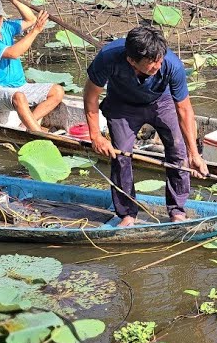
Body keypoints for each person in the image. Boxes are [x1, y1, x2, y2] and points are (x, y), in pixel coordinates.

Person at [83, 25, 209, 227]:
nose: (157, 66)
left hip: (161, 102)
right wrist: (96, 135)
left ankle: (177, 210)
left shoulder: (171, 65)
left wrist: (194, 154)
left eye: (159, 60)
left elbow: (184, 110)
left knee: (178, 150)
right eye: (151, 64)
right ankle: (127, 214)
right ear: (131, 60)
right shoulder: (108, 58)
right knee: (121, 155)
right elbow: (90, 95)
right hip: (122, 105)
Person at [0, 0, 65, 133]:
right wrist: (35, 31)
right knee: (19, 97)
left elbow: (31, 19)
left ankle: (26, 125)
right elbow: (13, 53)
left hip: (19, 86)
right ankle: (39, 134)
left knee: (57, 91)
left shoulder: (6, 27)